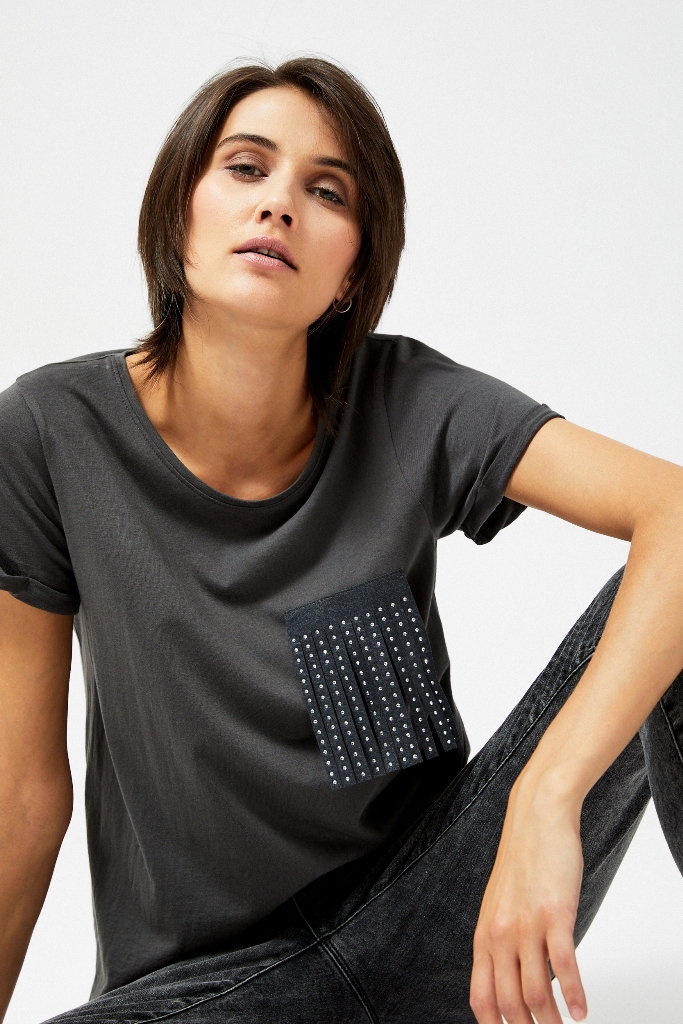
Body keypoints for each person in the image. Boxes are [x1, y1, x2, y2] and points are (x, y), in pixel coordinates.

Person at [0, 56, 681, 1024]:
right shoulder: (50, 432)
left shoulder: (408, 401)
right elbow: (22, 797)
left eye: (327, 191)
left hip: (444, 921)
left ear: (354, 268)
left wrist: (545, 796)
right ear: (176, 211)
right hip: (219, 990)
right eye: (245, 167)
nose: (278, 204)